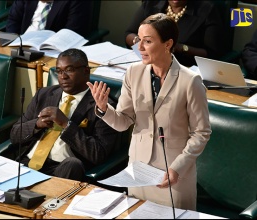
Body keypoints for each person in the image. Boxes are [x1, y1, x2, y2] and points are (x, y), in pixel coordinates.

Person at [87, 13, 211, 210]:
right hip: (138, 172)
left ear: (167, 44)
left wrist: (177, 168)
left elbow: (201, 133)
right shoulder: (133, 73)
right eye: (138, 40)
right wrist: (104, 109)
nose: (140, 48)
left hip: (173, 175)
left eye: (148, 41)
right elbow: (123, 122)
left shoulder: (190, 81)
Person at [7, 49, 118, 181]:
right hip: (28, 163)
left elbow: (98, 154)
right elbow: (14, 135)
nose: (63, 76)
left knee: (73, 165)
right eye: (59, 71)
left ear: (86, 71)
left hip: (62, 169)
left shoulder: (102, 105)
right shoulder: (44, 94)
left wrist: (66, 124)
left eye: (69, 70)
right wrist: (37, 124)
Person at [125, 0, 226, 67]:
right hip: (148, 64)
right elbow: (129, 34)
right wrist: (140, 42)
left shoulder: (207, 10)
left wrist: (181, 48)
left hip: (184, 67)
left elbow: (212, 54)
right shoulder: (152, 3)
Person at [6, 0, 92, 37]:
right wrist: (14, 41)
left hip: (50, 51)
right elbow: (14, 19)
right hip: (22, 45)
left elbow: (72, 32)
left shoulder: (77, 2)